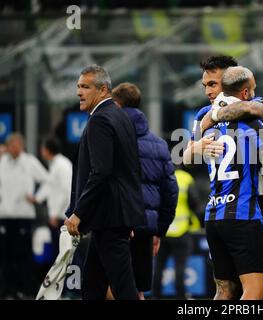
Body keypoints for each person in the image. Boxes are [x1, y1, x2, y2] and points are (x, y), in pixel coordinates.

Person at [183, 55, 263, 300]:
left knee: (262, 279)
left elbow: (253, 107)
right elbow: (186, 156)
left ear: (231, 80)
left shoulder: (252, 102)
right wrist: (197, 148)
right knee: (256, 285)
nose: (208, 91)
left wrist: (215, 116)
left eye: (213, 84)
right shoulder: (204, 115)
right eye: (205, 85)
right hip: (241, 208)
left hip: (261, 201)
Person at [64, 65, 146, 300]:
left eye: (85, 87)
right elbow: (129, 168)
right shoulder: (120, 116)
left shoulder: (100, 120)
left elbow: (101, 172)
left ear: (103, 90)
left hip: (109, 218)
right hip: (113, 217)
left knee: (124, 288)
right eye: (78, 86)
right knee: (92, 285)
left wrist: (79, 212)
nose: (79, 92)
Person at [111, 82, 178, 300]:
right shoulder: (159, 144)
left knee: (108, 285)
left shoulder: (110, 138)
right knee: (138, 290)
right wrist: (159, 229)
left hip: (116, 224)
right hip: (146, 228)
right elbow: (170, 191)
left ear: (117, 105)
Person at [0, 133, 48, 299]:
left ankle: (24, 290)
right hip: (5, 215)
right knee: (5, 256)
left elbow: (46, 180)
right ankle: (6, 290)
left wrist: (37, 197)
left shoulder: (29, 162)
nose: (15, 148)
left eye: (18, 144)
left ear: (22, 146)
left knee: (23, 255)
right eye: (12, 144)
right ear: (7, 146)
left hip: (24, 215)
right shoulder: (2, 162)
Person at [152, 166, 201, 300]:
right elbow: (195, 203)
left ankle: (156, 296)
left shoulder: (161, 178)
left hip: (163, 231)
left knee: (159, 267)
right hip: (182, 231)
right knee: (180, 267)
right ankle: (181, 297)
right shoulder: (186, 178)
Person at [26, 136, 72, 262]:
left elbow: (64, 191)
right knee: (57, 251)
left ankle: (63, 281)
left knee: (62, 252)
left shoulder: (62, 165)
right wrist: (37, 198)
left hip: (62, 216)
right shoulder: (56, 164)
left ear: (47, 150)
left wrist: (55, 215)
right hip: (59, 215)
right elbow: (50, 186)